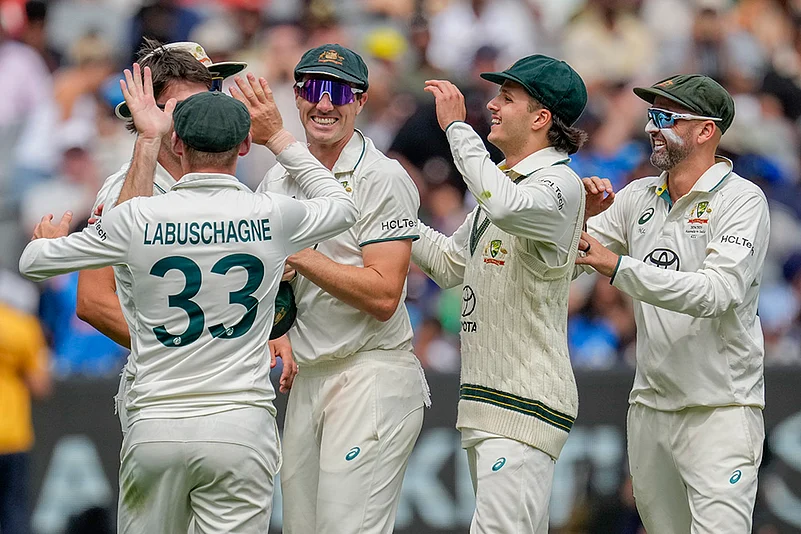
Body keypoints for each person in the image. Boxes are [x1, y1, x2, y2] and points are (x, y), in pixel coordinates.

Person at [18, 63, 358, 533]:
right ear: (243, 146)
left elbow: (34, 263)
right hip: (240, 422)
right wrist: (279, 139)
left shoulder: (136, 216)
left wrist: (45, 240)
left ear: (177, 140)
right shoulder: (268, 211)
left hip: (157, 418)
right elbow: (343, 205)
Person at [246, 44, 429, 534]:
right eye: (313, 89)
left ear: (361, 101)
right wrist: (277, 330)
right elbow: (273, 284)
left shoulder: (382, 177)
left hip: (371, 372)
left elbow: (385, 295)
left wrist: (298, 255)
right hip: (308, 377)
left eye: (339, 91)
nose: (325, 103)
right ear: (297, 95)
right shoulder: (277, 179)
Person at [577, 74, 769, 533]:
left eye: (666, 117)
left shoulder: (743, 200)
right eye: (651, 116)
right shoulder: (638, 195)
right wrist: (576, 219)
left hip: (721, 410)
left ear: (706, 131)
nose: (650, 128)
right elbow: (571, 261)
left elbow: (716, 292)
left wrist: (619, 267)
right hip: (650, 411)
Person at [411, 54, 588, 532]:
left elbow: (507, 208)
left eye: (506, 98)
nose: (491, 105)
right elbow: (450, 265)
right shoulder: (507, 184)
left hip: (524, 401)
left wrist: (455, 130)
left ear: (540, 118)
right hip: (488, 403)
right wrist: (395, 217)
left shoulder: (560, 184)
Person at [0, 301, 50, 534]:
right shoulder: (22, 326)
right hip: (13, 437)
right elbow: (41, 386)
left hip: (14, 438)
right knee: (14, 515)